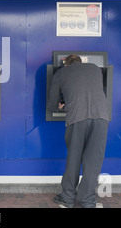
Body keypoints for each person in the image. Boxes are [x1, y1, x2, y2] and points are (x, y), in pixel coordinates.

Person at [46, 54, 110, 208]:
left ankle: (67, 197)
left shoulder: (61, 73)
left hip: (78, 119)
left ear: (66, 64)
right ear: (81, 62)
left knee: (74, 159)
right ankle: (87, 201)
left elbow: (51, 105)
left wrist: (61, 106)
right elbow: (89, 92)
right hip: (101, 118)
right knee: (93, 163)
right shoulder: (95, 69)